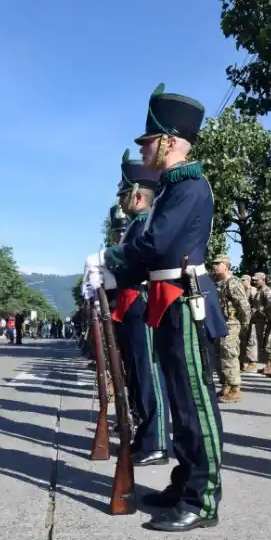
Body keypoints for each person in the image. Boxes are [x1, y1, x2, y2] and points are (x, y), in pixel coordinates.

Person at [94, 83, 226, 532]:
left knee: (193, 404)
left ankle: (203, 496)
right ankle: (186, 479)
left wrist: (111, 260)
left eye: (149, 140)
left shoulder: (188, 186)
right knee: (179, 397)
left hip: (186, 303)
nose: (145, 148)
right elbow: (153, 254)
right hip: (169, 300)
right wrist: (118, 276)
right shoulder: (171, 189)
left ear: (169, 140)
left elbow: (156, 244)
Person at [110, 148, 172, 465]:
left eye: (124, 194)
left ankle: (158, 441)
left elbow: (140, 261)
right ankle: (147, 436)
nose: (120, 200)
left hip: (143, 302)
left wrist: (112, 262)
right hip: (131, 304)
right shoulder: (137, 225)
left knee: (149, 375)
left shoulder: (146, 223)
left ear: (137, 195)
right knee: (137, 375)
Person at [212, 254, 250, 402]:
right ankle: (225, 385)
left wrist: (244, 324)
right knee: (218, 356)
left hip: (231, 323)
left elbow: (244, 306)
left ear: (226, 266)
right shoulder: (217, 282)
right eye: (213, 263)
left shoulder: (233, 282)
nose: (214, 266)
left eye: (218, 263)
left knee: (229, 355)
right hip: (219, 323)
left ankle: (235, 389)